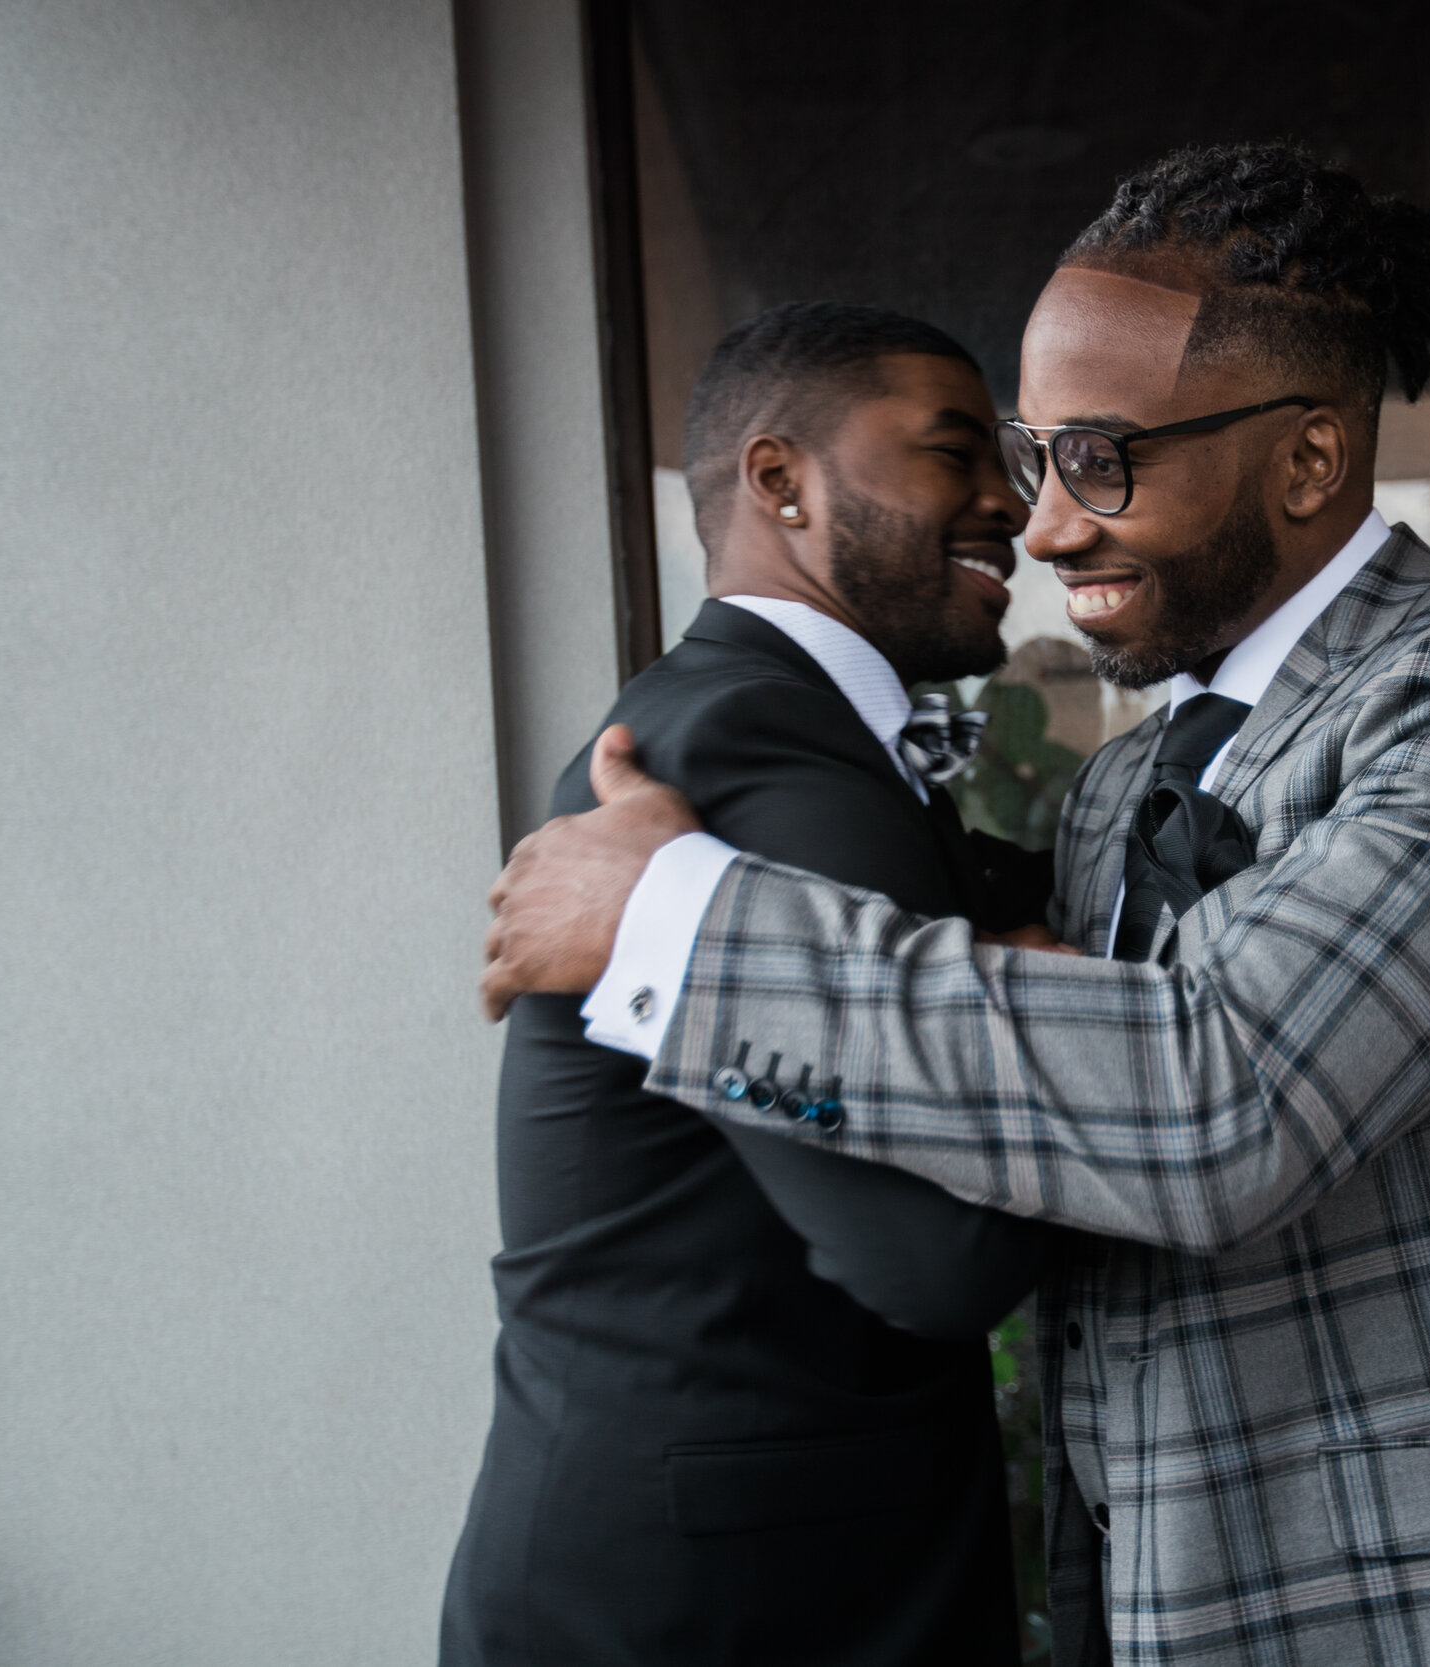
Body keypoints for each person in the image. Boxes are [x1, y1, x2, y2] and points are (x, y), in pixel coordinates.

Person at [484, 144, 1430, 1667]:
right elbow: (1088, 1107)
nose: (1042, 527)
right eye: (1035, 456)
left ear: (1305, 460)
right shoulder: (1120, 779)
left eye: (1105, 459)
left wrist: (673, 923)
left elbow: (1217, 1094)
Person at [442, 302, 1057, 1667]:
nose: (1010, 499)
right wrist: (1047, 1024)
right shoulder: (752, 745)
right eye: (955, 452)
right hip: (720, 1604)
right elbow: (937, 1255)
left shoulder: (766, 726)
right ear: (780, 481)